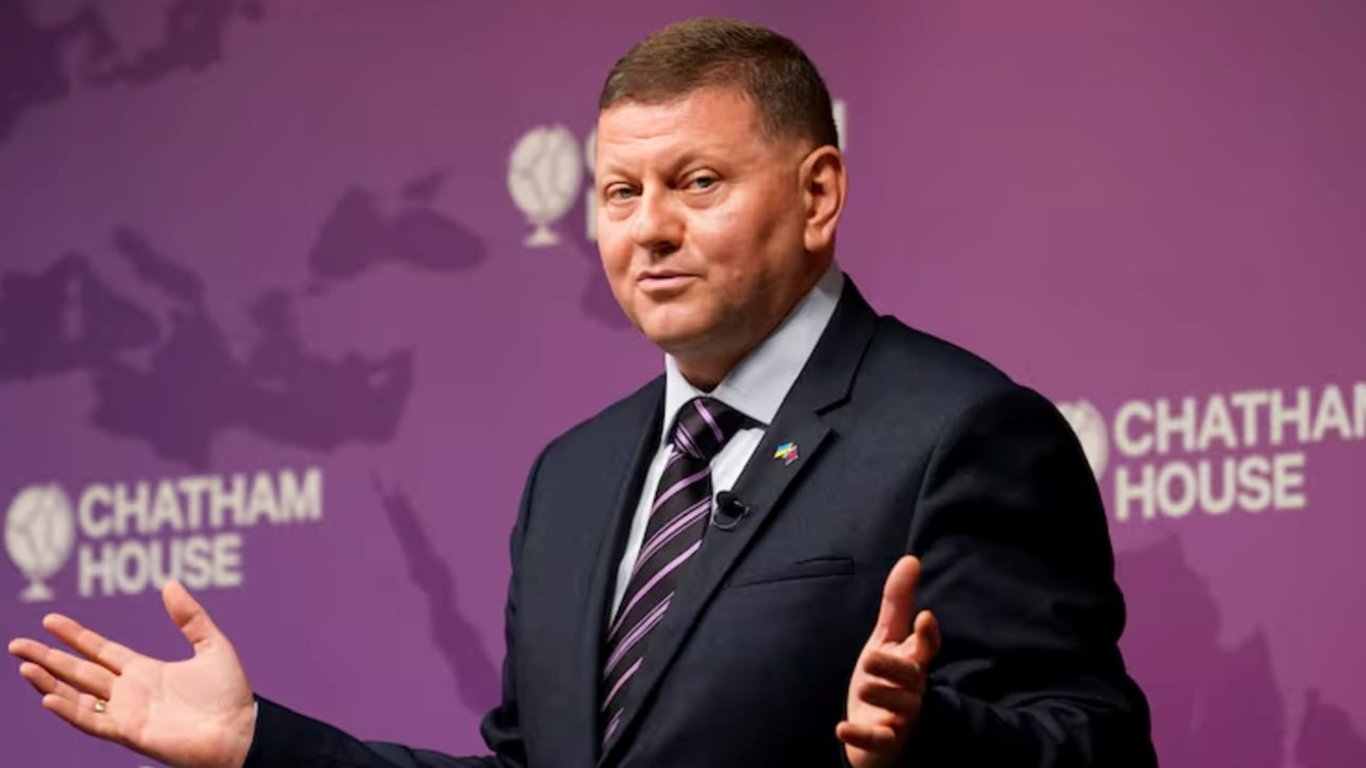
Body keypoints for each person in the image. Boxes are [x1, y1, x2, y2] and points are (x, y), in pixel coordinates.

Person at [8, 17, 1156, 768]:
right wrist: (259, 744)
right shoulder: (575, 477)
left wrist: (937, 741)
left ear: (817, 196)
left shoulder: (959, 434)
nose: (649, 229)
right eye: (618, 192)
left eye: (696, 183)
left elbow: (1094, 746)